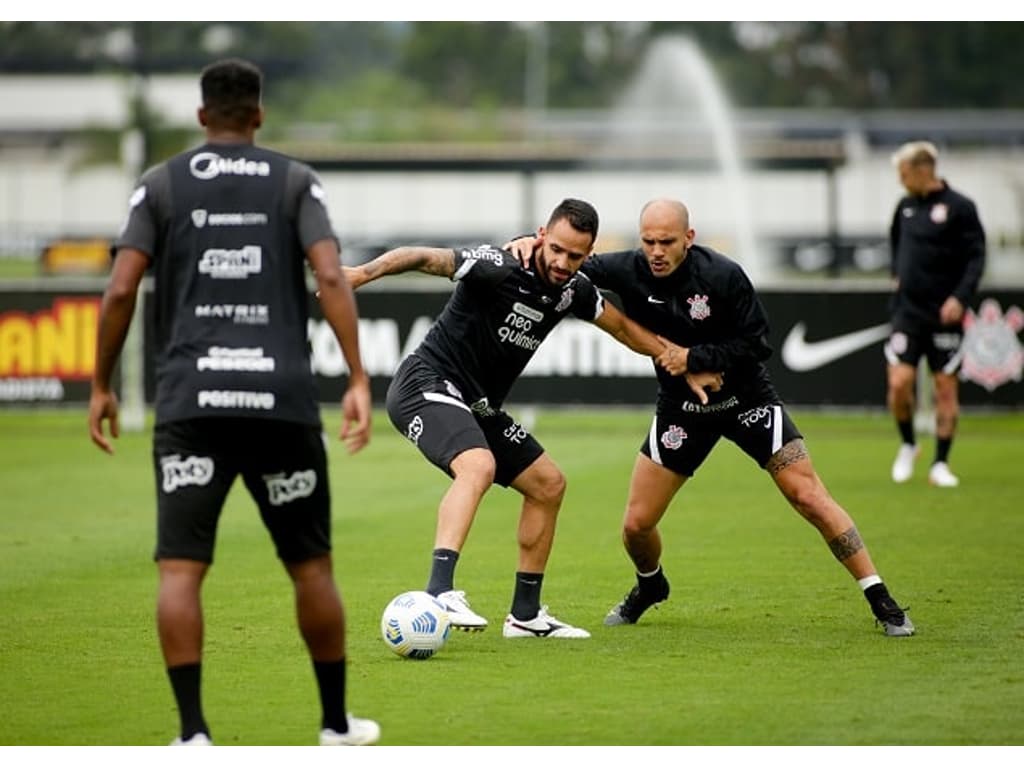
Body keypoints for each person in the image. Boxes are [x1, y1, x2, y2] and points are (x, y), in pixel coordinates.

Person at [88, 58, 380, 746]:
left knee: (182, 569)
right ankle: (335, 725)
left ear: (200, 117)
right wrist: (359, 378)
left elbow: (121, 290)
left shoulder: (160, 184)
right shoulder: (294, 180)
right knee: (310, 566)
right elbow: (332, 276)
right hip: (280, 401)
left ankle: (192, 735)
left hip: (191, 406)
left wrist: (101, 384)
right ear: (258, 115)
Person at [506, 198, 915, 637]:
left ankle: (881, 599)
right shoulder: (626, 268)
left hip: (747, 401)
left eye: (666, 241)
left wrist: (696, 357)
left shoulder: (723, 275)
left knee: (809, 496)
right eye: (648, 241)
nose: (657, 251)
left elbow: (758, 343)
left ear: (689, 238)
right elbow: (569, 260)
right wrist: (527, 242)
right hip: (682, 410)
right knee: (636, 526)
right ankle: (650, 586)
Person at [342, 198, 721, 639]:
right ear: (541, 235)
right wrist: (364, 274)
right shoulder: (498, 266)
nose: (562, 262)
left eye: (575, 256)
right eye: (556, 249)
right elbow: (425, 257)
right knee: (477, 465)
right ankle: (439, 591)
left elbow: (621, 327)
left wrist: (677, 358)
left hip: (478, 403)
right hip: (425, 384)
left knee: (548, 485)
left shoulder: (572, 290)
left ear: (588, 253)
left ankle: (525, 615)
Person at [886, 140, 986, 488]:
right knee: (899, 384)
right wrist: (897, 277)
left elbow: (976, 257)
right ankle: (908, 443)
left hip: (945, 315)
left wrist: (960, 297)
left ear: (922, 169)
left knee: (945, 387)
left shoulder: (960, 208)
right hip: (907, 314)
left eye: (903, 173)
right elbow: (896, 247)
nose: (900, 180)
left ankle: (940, 463)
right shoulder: (904, 207)